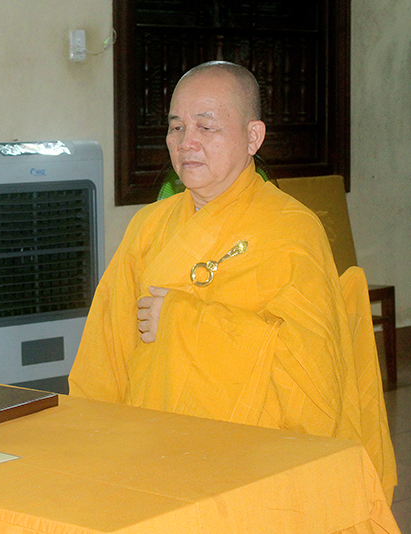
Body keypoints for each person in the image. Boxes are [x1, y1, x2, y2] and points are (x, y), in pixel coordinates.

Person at [68, 61, 397, 501]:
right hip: (150, 447)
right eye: (177, 127)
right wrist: (93, 440)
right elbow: (104, 351)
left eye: (206, 127)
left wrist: (182, 322)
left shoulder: (291, 231)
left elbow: (312, 378)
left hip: (253, 460)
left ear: (253, 137)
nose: (186, 143)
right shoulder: (148, 226)